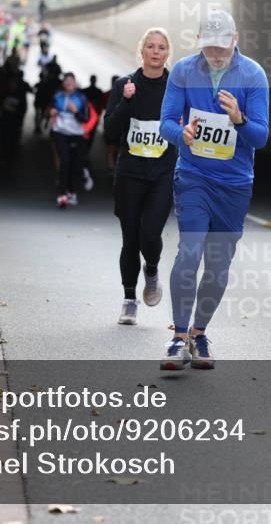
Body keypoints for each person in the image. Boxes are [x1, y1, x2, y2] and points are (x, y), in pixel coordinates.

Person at [158, 10, 270, 369]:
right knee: (189, 252)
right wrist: (183, 134)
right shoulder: (183, 71)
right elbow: (165, 123)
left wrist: (239, 119)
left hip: (235, 183)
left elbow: (261, 137)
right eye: (209, 47)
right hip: (193, 175)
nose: (216, 54)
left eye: (222, 46)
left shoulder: (253, 75)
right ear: (200, 42)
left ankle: (199, 333)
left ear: (235, 39)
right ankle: (177, 337)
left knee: (218, 266)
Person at [104, 29, 177, 325]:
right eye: (150, 46)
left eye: (161, 47)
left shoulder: (176, 87)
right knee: (130, 238)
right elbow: (109, 131)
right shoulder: (125, 85)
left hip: (162, 171)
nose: (156, 52)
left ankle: (152, 269)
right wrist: (124, 102)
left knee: (150, 233)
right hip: (130, 173)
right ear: (142, 51)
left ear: (167, 53)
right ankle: (129, 300)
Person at [49, 72, 93, 207]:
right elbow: (50, 109)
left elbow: (86, 118)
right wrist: (51, 112)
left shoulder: (82, 98)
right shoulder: (57, 96)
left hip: (76, 134)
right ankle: (62, 194)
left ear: (75, 83)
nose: (68, 82)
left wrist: (75, 111)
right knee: (65, 161)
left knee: (75, 165)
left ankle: (75, 185)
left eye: (71, 80)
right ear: (63, 83)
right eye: (66, 80)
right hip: (60, 132)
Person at [0, 54, 31, 166]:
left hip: (12, 115)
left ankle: (5, 153)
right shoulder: (2, 77)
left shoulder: (19, 80)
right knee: (1, 133)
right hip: (2, 112)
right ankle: (1, 152)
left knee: (9, 134)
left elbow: (23, 103)